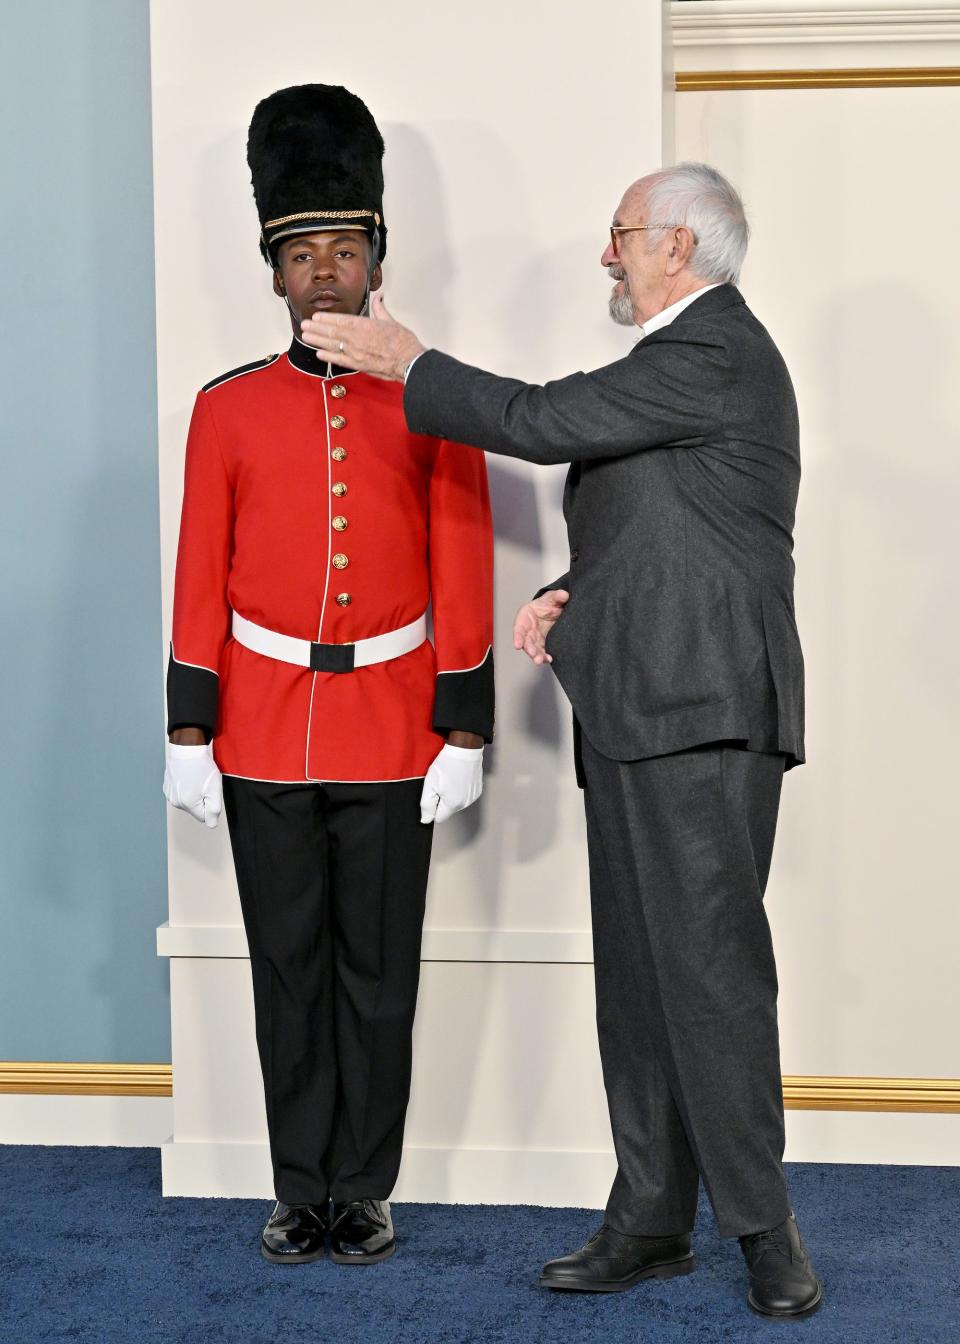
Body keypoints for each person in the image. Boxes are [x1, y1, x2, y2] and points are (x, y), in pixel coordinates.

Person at [298, 161, 822, 1318]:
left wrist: (410, 366)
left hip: (703, 710)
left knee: (711, 978)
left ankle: (764, 1229)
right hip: (643, 698)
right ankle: (650, 1219)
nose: (607, 255)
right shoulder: (682, 369)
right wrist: (582, 590)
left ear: (680, 247)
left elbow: (542, 420)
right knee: (639, 982)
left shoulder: (713, 348)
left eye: (622, 235)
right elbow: (685, 520)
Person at [162, 84, 494, 1267]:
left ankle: (366, 1187)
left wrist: (465, 724)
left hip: (396, 723)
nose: (322, 274)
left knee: (379, 976)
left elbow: (464, 559)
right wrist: (188, 727)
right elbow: (202, 568)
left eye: (343, 251)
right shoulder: (228, 411)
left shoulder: (433, 401)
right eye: (301, 253)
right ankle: (299, 1186)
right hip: (260, 726)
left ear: (373, 264)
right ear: (275, 273)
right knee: (287, 976)